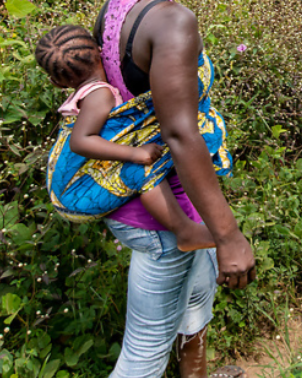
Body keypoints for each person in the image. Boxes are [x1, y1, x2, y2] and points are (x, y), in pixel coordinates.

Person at [93, 0, 256, 378]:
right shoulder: (173, 21)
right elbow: (181, 132)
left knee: (197, 291)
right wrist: (229, 235)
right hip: (161, 218)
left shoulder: (118, 5)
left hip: (165, 200)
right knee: (143, 346)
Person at [35, 24, 214, 252]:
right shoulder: (98, 95)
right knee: (143, 170)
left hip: (67, 188)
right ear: (101, 50)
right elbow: (80, 142)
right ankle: (185, 232)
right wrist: (135, 153)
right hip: (73, 197)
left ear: (57, 83)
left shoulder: (92, 93)